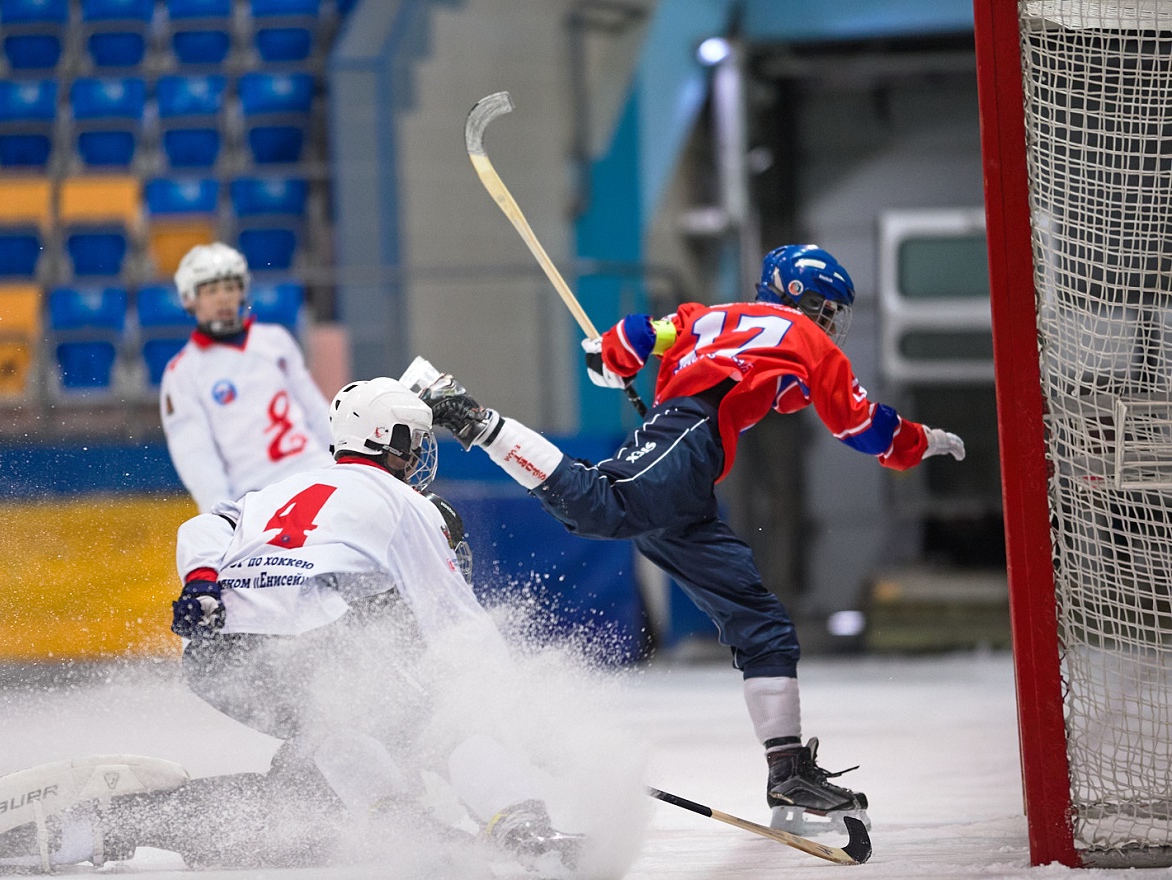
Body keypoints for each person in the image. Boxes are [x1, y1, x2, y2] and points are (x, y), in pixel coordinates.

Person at [0, 378, 586, 879]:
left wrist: (205, 582)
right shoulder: (407, 511)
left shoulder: (291, 488)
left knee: (280, 790)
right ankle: (524, 834)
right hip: (291, 649)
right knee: (436, 728)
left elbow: (206, 524)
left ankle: (19, 839)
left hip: (220, 653)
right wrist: (520, 718)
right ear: (394, 442)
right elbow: (456, 628)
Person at [405, 243, 966, 835]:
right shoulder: (805, 339)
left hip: (690, 474)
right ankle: (469, 414)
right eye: (826, 309)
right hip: (690, 434)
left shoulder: (707, 316)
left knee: (760, 621)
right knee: (604, 507)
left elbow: (636, 337)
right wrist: (918, 440)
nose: (830, 325)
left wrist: (611, 358)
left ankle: (788, 771)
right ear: (797, 297)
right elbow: (858, 423)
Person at [160, 241, 334, 513]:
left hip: (319, 471)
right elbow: (195, 454)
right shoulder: (182, 372)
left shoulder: (275, 339)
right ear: (189, 298)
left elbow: (315, 410)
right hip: (258, 498)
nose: (223, 298)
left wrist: (347, 462)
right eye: (211, 290)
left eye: (230, 287)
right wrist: (222, 514)